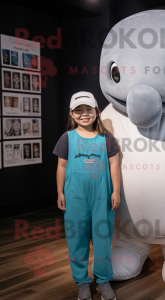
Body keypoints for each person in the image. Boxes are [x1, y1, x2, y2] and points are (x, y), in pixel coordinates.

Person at [53, 91, 120, 300]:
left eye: (88, 110)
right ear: (72, 114)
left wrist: (116, 191)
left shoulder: (106, 138)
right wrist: (60, 192)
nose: (84, 114)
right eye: (79, 110)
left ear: (96, 112)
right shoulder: (67, 138)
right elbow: (61, 166)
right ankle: (82, 282)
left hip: (102, 198)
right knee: (77, 240)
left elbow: (115, 164)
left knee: (102, 240)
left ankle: (103, 280)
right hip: (75, 198)